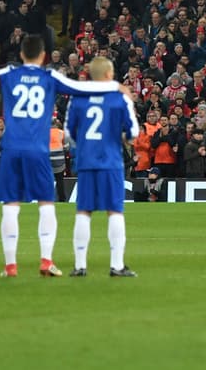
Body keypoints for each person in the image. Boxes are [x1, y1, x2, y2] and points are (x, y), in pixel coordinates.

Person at [0, 33, 126, 277]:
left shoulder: (9, 74)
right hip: (38, 151)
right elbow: (79, 87)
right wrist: (114, 86)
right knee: (46, 204)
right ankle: (45, 261)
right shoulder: (49, 77)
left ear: (21, 54)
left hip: (11, 148)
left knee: (10, 206)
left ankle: (10, 266)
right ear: (43, 56)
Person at [66, 56, 139, 277]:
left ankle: (80, 266)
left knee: (84, 211)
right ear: (109, 75)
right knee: (115, 210)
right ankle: (116, 266)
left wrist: (86, 146)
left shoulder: (77, 98)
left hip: (87, 161)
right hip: (111, 162)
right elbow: (133, 132)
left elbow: (69, 134)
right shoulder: (119, 99)